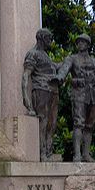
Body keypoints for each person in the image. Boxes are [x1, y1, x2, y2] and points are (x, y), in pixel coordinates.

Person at [57, 33, 95, 162]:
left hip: (94, 96)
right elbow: (63, 72)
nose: (79, 44)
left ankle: (86, 154)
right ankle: (77, 154)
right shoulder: (72, 58)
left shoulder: (94, 61)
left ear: (88, 45)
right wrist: (61, 79)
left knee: (90, 126)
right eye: (78, 42)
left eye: (82, 42)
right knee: (78, 124)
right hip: (79, 95)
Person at [22, 28, 59, 161]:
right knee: (43, 122)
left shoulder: (46, 55)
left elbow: (55, 67)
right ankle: (42, 153)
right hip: (41, 90)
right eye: (49, 38)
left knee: (52, 123)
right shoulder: (33, 54)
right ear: (42, 38)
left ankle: (49, 152)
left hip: (53, 91)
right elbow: (26, 76)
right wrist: (26, 99)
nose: (51, 41)